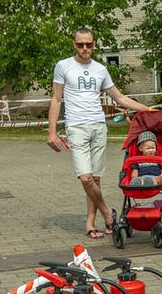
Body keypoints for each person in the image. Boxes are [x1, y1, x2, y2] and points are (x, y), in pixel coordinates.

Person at [46, 27, 150, 237]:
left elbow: (119, 98)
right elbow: (56, 99)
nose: (85, 48)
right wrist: (52, 132)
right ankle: (107, 213)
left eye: (89, 44)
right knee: (85, 178)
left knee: (95, 178)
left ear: (94, 44)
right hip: (76, 127)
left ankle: (90, 224)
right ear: (74, 44)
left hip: (98, 126)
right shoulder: (63, 66)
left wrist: (147, 110)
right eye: (80, 44)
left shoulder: (101, 69)